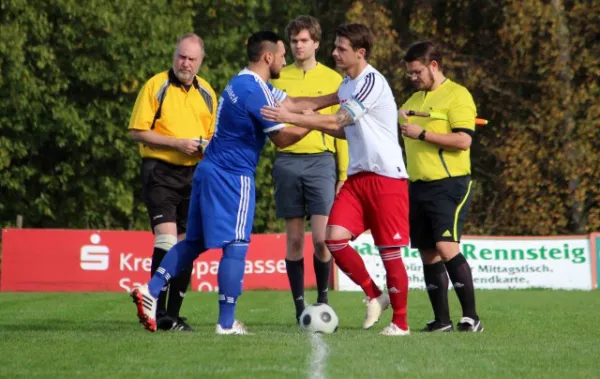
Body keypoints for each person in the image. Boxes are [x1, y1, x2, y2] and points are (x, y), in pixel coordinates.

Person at [130, 31, 329, 335]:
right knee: (236, 245)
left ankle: (151, 289)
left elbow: (295, 103)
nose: (286, 59)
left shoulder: (244, 82)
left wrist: (335, 99)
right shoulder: (255, 93)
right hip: (233, 177)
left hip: (206, 171)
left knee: (194, 242)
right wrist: (317, 126)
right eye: (282, 54)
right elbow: (283, 139)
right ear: (268, 57)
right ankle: (225, 323)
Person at [262, 23, 411, 336]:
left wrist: (290, 117)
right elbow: (318, 107)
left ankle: (401, 323)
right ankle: (374, 293)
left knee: (389, 252)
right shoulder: (347, 85)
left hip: (386, 178)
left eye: (341, 48)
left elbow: (338, 119)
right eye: (335, 46)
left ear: (360, 53)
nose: (334, 52)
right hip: (358, 178)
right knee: (334, 239)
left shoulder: (371, 82)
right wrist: (279, 100)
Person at [128, 33, 217, 331]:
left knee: (187, 246)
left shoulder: (208, 93)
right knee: (166, 240)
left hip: (193, 175)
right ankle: (154, 306)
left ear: (201, 62)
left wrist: (206, 147)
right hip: (159, 171)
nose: (186, 63)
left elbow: (212, 137)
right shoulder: (156, 86)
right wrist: (176, 143)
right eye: (182, 56)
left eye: (192, 59)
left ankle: (172, 316)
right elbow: (137, 132)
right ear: (174, 56)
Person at [399, 41, 483, 332]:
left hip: (450, 184)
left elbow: (463, 140)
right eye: (409, 72)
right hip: (418, 185)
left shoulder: (458, 95)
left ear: (434, 66)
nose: (413, 77)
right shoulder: (412, 101)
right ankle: (442, 320)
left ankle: (472, 317)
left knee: (447, 247)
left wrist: (422, 133)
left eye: (417, 71)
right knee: (427, 252)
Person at [270, 15, 348, 323]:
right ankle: (299, 307)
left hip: (321, 163)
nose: (299, 45)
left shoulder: (334, 79)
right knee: (293, 241)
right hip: (287, 162)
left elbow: (343, 127)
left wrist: (344, 174)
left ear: (316, 42)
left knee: (321, 239)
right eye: (294, 41)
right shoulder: (278, 77)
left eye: (304, 40)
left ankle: (323, 300)